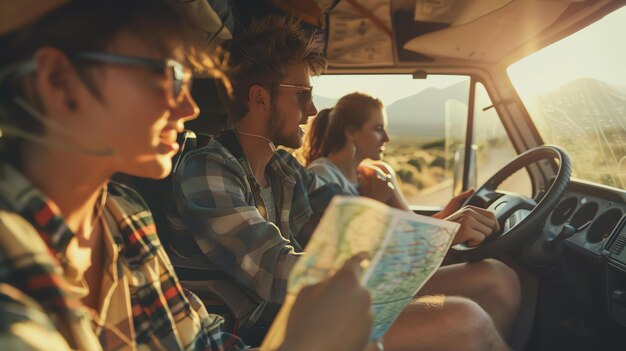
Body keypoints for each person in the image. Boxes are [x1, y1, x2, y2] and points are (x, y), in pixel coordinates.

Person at [0, 1, 373, 350]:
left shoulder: (123, 216)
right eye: (167, 76)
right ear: (59, 81)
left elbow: (200, 342)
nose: (188, 106)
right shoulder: (10, 253)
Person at [168, 14, 516, 351]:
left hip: (300, 307)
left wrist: (438, 227)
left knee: (494, 280)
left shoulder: (284, 169)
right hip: (256, 327)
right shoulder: (207, 169)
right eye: (302, 95)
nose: (313, 110)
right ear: (260, 98)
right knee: (468, 322)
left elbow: (351, 228)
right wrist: (433, 238)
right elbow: (277, 274)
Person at [304, 93, 522, 340]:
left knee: (497, 275)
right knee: (491, 286)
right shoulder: (321, 177)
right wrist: (376, 200)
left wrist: (449, 212)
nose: (386, 138)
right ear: (350, 132)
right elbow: (353, 257)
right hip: (363, 288)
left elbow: (408, 226)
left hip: (392, 273)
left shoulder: (373, 172)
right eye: (377, 129)